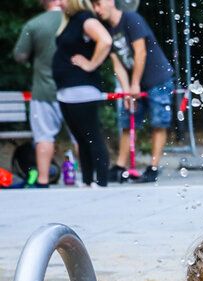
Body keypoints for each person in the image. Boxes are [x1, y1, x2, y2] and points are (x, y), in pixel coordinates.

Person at [89, 0, 175, 183]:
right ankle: (120, 166)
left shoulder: (131, 19)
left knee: (158, 122)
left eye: (98, 4)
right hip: (136, 83)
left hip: (157, 78)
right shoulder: (108, 30)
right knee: (128, 120)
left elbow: (140, 52)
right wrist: (127, 90)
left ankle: (153, 167)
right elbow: (118, 64)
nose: (97, 10)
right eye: (93, 6)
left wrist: (135, 83)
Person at [52, 0, 111, 187]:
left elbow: (106, 40)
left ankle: (101, 182)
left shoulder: (85, 19)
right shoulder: (70, 20)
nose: (59, 3)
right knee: (81, 139)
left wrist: (91, 64)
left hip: (82, 90)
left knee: (92, 136)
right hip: (66, 91)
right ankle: (87, 181)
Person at [13, 0, 71, 188]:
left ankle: (43, 180)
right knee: (81, 136)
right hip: (73, 89)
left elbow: (19, 55)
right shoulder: (75, 20)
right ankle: (89, 179)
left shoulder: (34, 24)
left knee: (44, 136)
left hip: (43, 90)